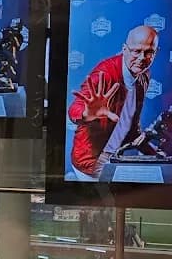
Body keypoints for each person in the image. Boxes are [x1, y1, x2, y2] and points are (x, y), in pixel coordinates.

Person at [68, 24, 158, 180]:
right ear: (124, 49)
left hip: (115, 158)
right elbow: (75, 109)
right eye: (136, 51)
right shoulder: (104, 74)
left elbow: (131, 125)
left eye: (149, 52)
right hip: (91, 161)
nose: (142, 58)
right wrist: (86, 114)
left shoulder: (143, 75)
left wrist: (154, 153)